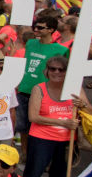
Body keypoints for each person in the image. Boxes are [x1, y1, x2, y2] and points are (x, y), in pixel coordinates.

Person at [22, 55, 92, 177]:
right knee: (32, 175)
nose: (56, 72)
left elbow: (91, 114)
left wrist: (83, 105)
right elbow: (33, 117)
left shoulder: (75, 90)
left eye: (61, 69)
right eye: (53, 69)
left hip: (67, 141)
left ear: (67, 72)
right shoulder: (39, 88)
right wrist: (62, 122)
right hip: (41, 139)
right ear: (47, 71)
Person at [14, 15, 68, 156]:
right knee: (22, 126)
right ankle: (25, 152)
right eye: (35, 26)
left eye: (40, 27)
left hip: (45, 92)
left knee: (39, 126)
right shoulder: (31, 43)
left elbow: (64, 73)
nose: (35, 29)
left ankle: (39, 154)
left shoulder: (61, 50)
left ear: (51, 29)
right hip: (25, 89)